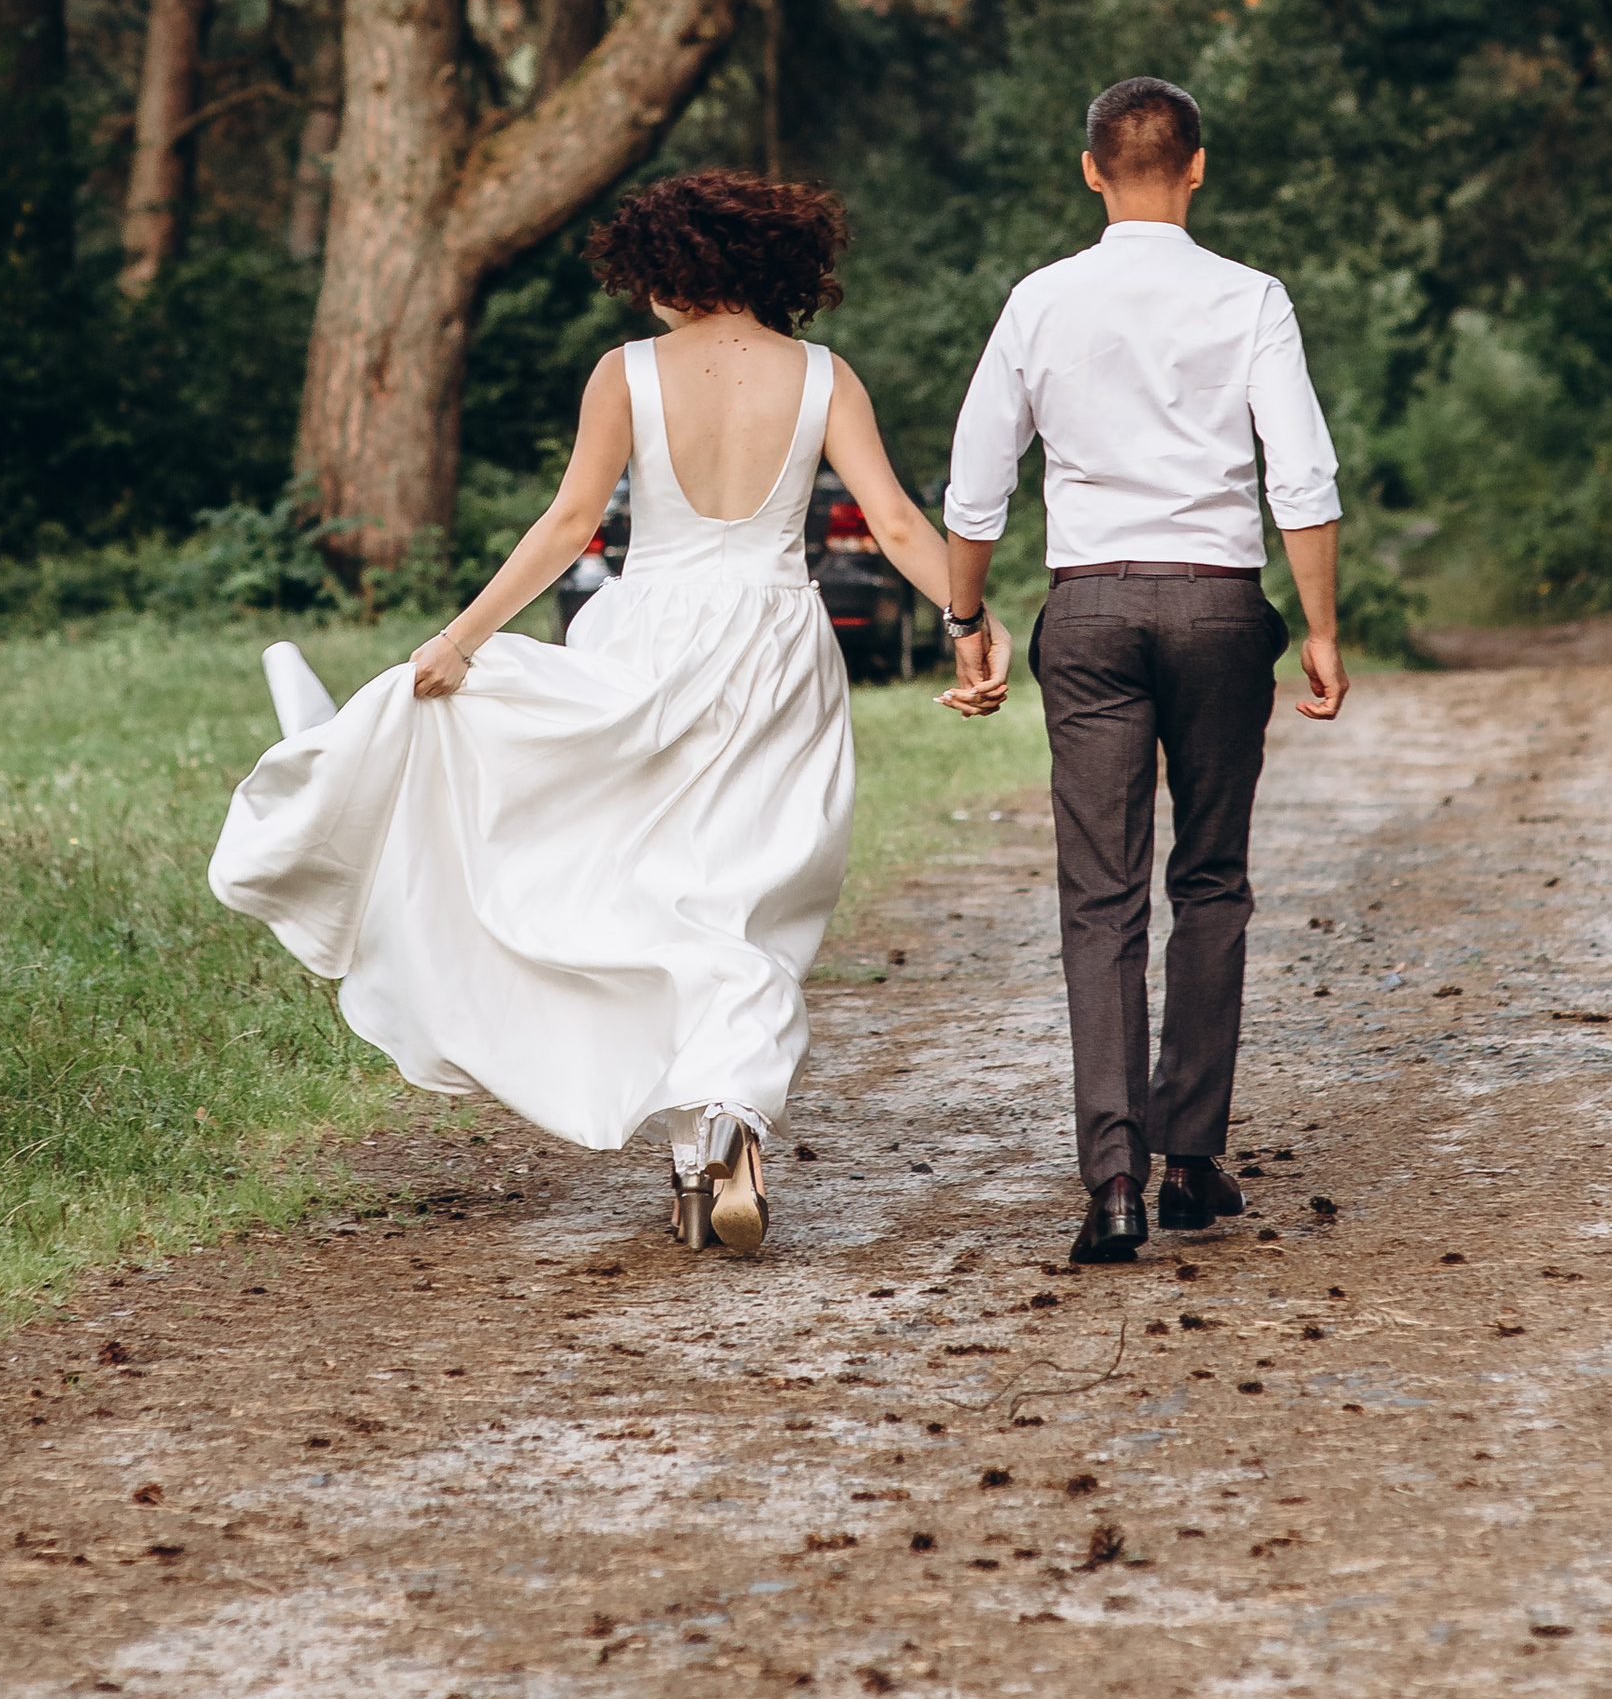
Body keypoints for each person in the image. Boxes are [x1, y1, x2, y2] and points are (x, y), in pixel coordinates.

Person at [208, 170, 1012, 1257]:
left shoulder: (626, 375)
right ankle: (722, 1120)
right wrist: (969, 620)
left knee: (656, 888)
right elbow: (903, 526)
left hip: (654, 639)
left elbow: (567, 524)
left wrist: (458, 642)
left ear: (668, 269)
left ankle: (699, 1147)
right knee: (749, 894)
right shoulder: (824, 377)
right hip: (780, 642)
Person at [938, 77, 1346, 1267]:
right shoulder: (1250, 298)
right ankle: (1189, 1158)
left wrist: (966, 613)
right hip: (1220, 608)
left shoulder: (1039, 301)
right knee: (1210, 880)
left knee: (1099, 897)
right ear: (1198, 168)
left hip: (1092, 607)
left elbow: (976, 481)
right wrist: (1317, 625)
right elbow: (1301, 478)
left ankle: (1110, 1179)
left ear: (1090, 172)